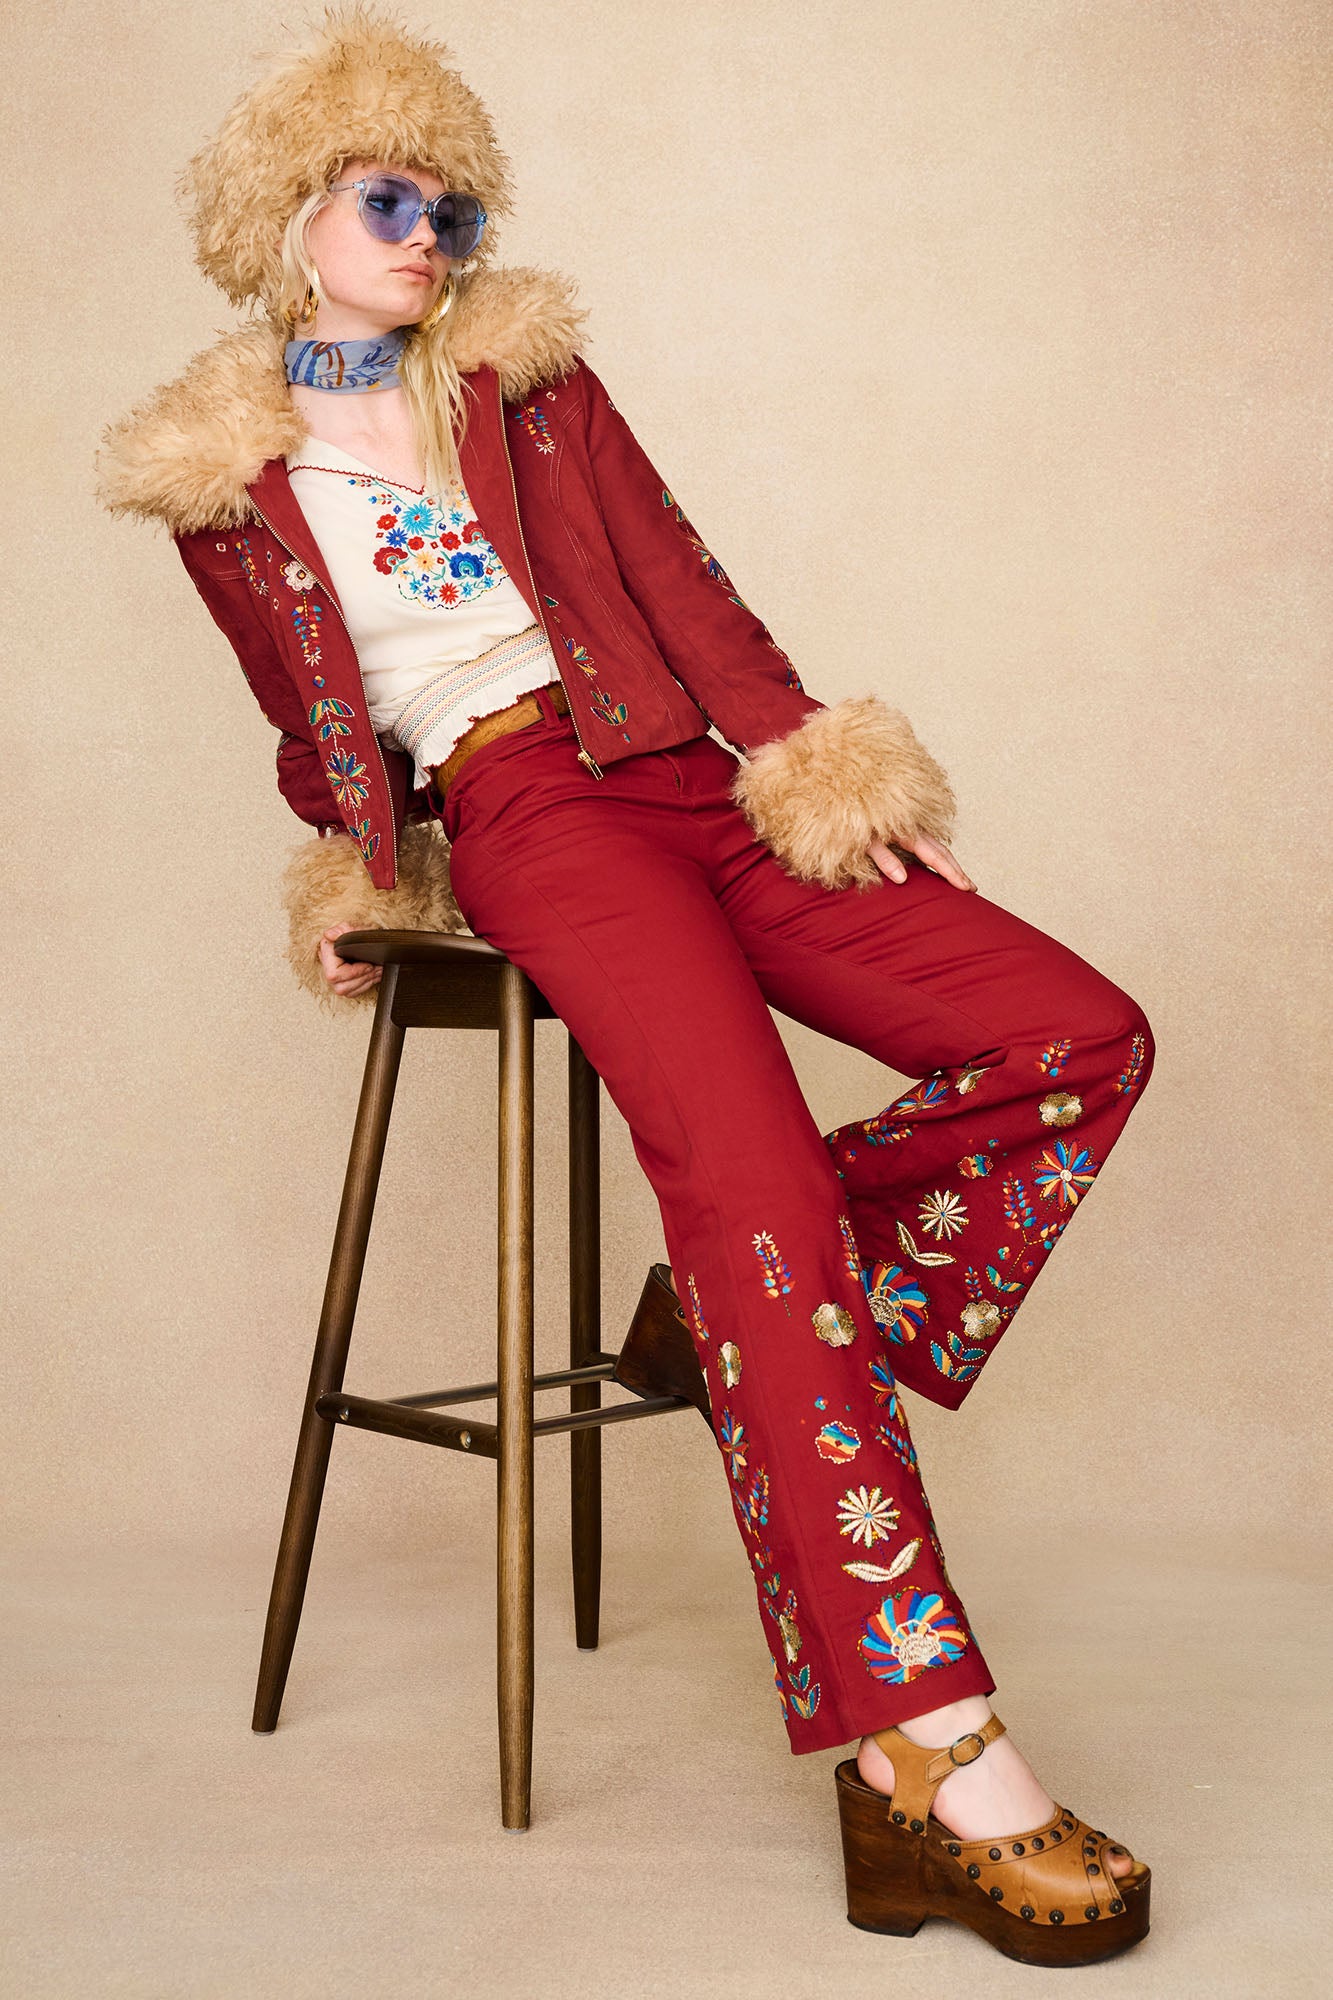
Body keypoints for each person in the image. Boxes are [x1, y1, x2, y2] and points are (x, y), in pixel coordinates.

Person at [95, 2, 1156, 1965]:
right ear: (292, 211)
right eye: (392, 197)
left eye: (457, 207)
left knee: (1076, 1030)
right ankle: (923, 1754)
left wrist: (829, 767)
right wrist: (348, 870)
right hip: (527, 818)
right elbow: (315, 723)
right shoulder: (224, 486)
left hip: (691, 772)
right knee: (758, 1202)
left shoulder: (529, 380)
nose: (431, 235)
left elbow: (684, 585)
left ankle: (730, 1299)